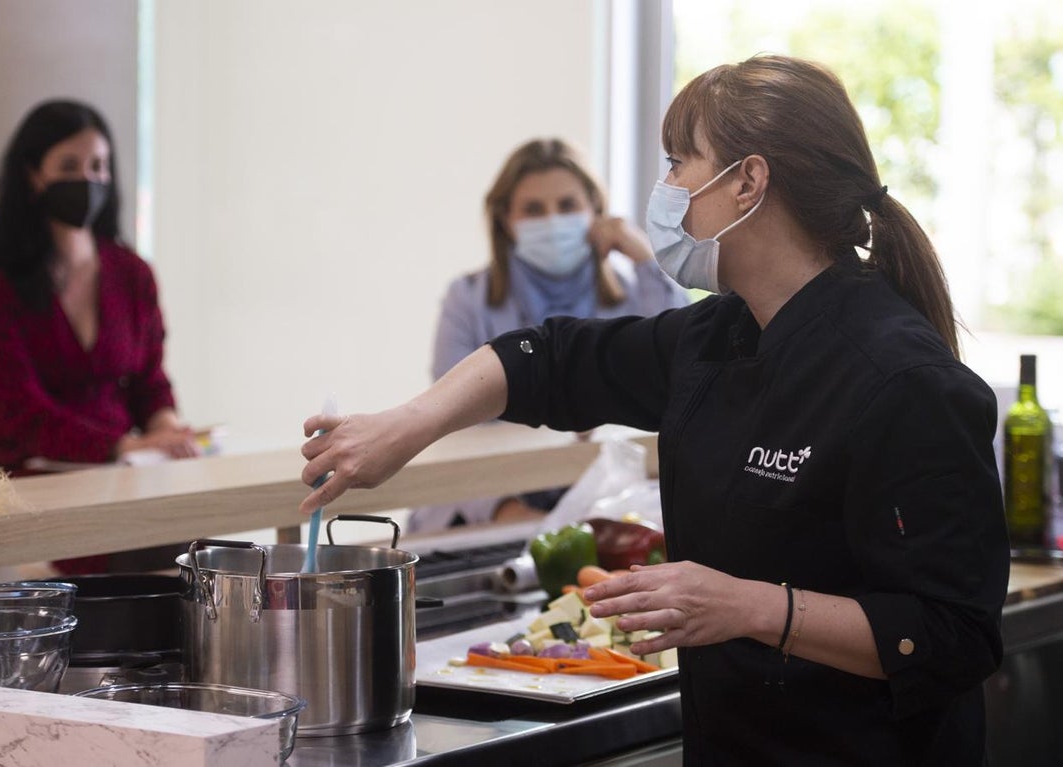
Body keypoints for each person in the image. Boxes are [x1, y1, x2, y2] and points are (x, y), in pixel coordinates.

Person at [300, 55, 1009, 764]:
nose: (664, 189)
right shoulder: (715, 336)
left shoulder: (901, 379)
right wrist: (407, 424)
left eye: (678, 163)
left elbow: (953, 634)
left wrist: (752, 606)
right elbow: (546, 359)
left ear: (748, 183)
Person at [0, 100, 199, 575]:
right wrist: (117, 446)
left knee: (200, 545)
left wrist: (165, 427)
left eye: (99, 166)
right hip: (31, 476)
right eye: (69, 166)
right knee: (131, 554)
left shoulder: (131, 273)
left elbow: (149, 379)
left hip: (119, 476)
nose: (88, 180)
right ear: (33, 174)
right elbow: (17, 408)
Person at [416, 138, 689, 530]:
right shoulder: (469, 300)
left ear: (595, 210)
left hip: (607, 505)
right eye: (532, 210)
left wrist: (646, 257)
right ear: (505, 220)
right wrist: (508, 511)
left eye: (566, 206)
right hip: (491, 504)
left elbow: (686, 369)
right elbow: (452, 420)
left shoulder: (632, 295)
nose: (551, 220)